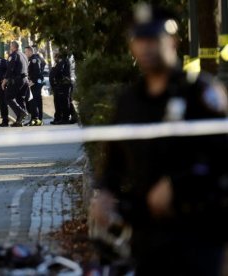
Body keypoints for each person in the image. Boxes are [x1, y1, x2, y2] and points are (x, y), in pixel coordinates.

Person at [91, 4, 228, 276]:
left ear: (173, 42)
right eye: (139, 40)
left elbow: (222, 161)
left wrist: (178, 183)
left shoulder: (202, 95)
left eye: (154, 39)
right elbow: (114, 161)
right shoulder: (129, 101)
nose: (146, 48)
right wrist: (104, 192)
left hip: (198, 234)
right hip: (146, 237)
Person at [2, 41, 29, 127]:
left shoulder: (14, 55)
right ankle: (20, 121)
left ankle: (21, 113)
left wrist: (5, 80)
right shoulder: (24, 55)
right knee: (20, 99)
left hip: (17, 80)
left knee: (8, 97)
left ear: (13, 47)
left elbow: (10, 69)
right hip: (25, 80)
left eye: (10, 46)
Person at [49, 53, 72, 125]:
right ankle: (59, 118)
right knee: (59, 102)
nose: (55, 59)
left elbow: (58, 71)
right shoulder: (60, 62)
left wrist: (53, 70)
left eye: (56, 57)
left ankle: (65, 118)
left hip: (63, 84)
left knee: (64, 102)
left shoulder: (63, 62)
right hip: (59, 85)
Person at [25, 46, 44, 126]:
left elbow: (37, 72)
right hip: (33, 83)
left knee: (35, 101)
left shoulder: (34, 59)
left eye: (26, 52)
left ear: (30, 51)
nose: (25, 53)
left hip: (35, 83)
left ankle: (38, 119)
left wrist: (33, 81)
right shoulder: (30, 59)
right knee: (32, 102)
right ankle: (34, 119)